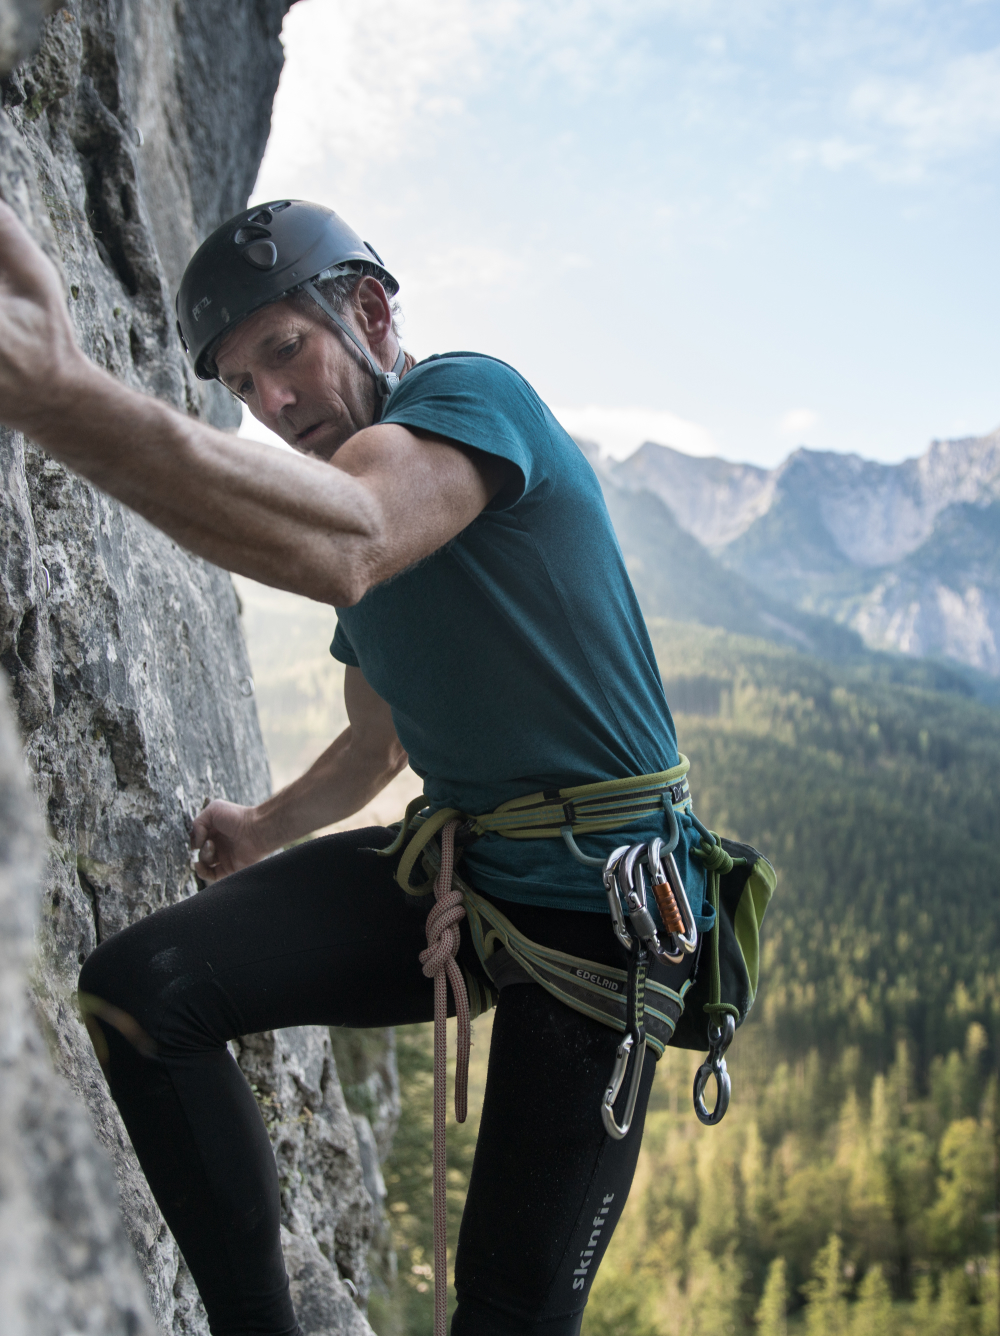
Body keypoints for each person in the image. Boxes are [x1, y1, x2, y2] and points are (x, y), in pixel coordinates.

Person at [0, 198, 699, 1336]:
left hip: (598, 908)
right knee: (141, 991)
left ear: (369, 312)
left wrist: (58, 393)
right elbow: (380, 738)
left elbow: (348, 537)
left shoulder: (469, 404)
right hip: (465, 875)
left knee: (508, 1310)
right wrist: (267, 826)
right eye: (242, 383)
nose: (273, 404)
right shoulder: (366, 517)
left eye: (287, 350)